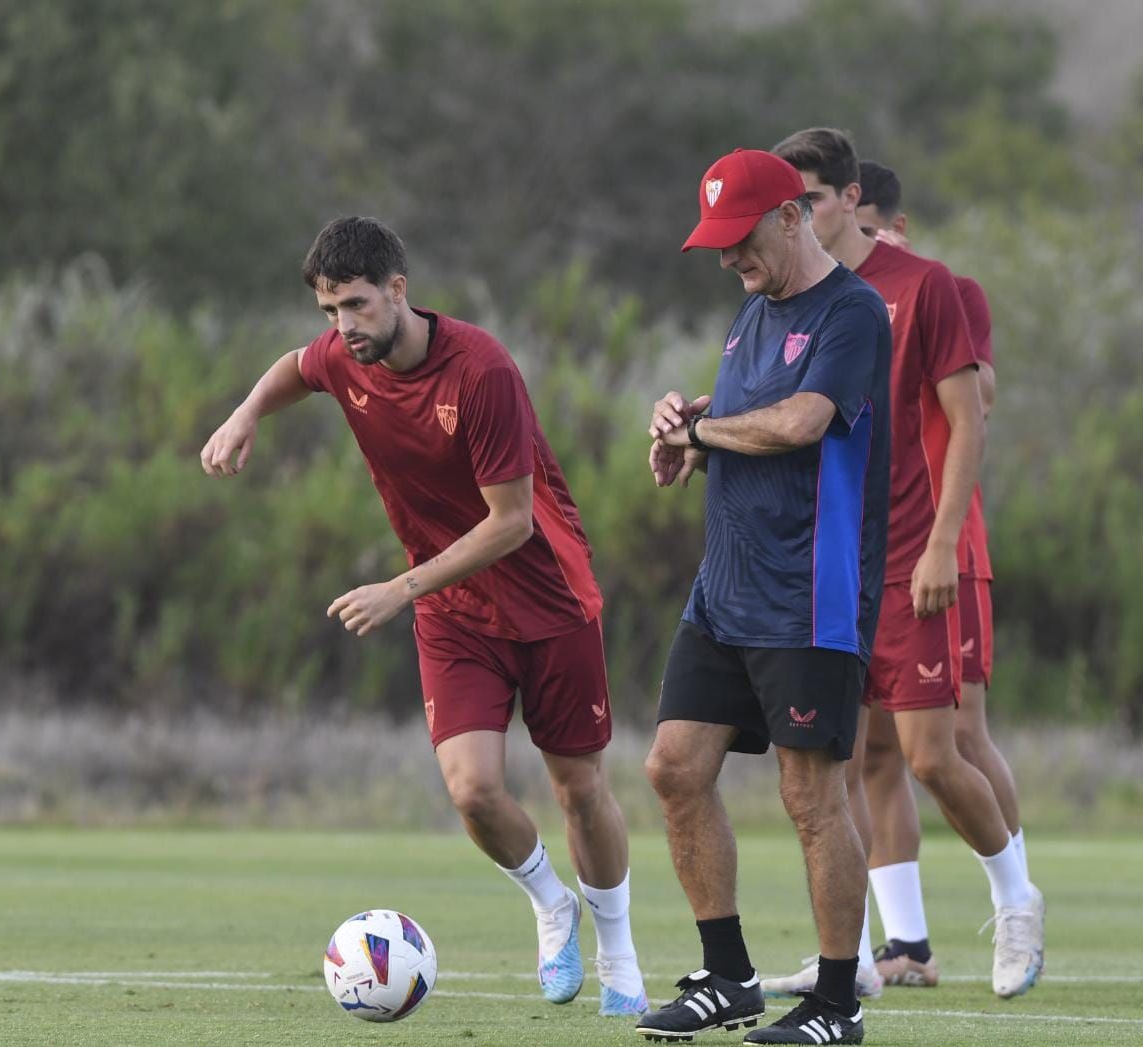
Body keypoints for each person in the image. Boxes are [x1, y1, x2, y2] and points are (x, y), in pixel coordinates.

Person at [201, 216, 647, 1017]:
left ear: (399, 291)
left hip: (548, 599)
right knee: (473, 790)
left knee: (578, 787)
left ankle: (620, 951)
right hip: (454, 610)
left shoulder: (482, 373)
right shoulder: (344, 355)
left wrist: (399, 587)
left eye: (359, 305)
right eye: (330, 310)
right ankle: (552, 902)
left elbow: (512, 522)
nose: (344, 326)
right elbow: (294, 371)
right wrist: (245, 414)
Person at [758, 128, 1042, 1002]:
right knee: (823, 768)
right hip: (819, 566)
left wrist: (942, 542)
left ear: (849, 199)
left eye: (807, 199)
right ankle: (857, 957)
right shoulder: (787, 293)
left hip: (907, 557)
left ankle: (1015, 898)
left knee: (931, 753)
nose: (793, 217)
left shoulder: (924, 287)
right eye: (785, 204)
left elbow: (968, 418)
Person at [635, 147, 890, 1046]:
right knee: (673, 767)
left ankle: (835, 1002)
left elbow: (804, 420)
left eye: (740, 239)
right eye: (717, 245)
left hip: (809, 595)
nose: (728, 259)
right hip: (725, 591)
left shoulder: (853, 311)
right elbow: (750, 416)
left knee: (810, 797)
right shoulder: (752, 313)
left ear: (791, 216)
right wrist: (688, 436)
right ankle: (729, 975)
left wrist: (709, 427)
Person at [852, 158, 1026, 989]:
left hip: (950, 545)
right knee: (871, 752)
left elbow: (979, 399)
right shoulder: (821, 299)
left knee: (956, 738)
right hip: (866, 559)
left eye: (879, 229)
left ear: (896, 225)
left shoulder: (943, 290)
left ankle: (1015, 901)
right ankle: (906, 944)